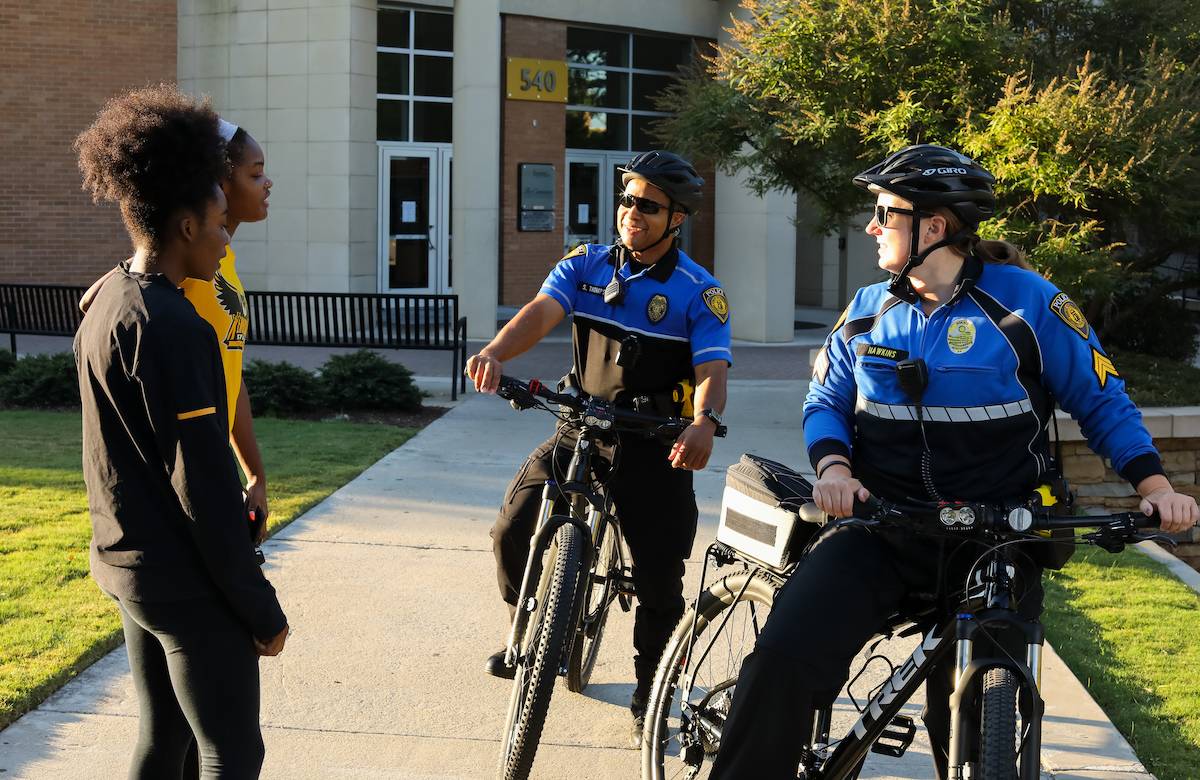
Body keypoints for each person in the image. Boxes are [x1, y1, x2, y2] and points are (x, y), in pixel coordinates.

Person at [710, 144, 1198, 779]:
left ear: (932, 228)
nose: (872, 227)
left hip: (997, 540)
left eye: (885, 214)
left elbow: (1104, 403)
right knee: (781, 662)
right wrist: (834, 469)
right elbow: (825, 400)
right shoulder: (866, 311)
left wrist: (1156, 486)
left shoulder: (1030, 307)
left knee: (974, 718)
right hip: (882, 529)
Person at [467, 150, 733, 744]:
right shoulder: (585, 264)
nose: (631, 212)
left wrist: (704, 423)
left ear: (676, 218)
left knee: (661, 579)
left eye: (647, 205)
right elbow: (540, 313)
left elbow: (712, 367)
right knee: (511, 529)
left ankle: (649, 691)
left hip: (652, 442)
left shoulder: (699, 291)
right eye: (627, 200)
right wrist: (495, 354)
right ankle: (531, 638)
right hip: (580, 425)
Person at [73, 84, 288, 780]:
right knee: (232, 748)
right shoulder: (173, 327)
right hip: (184, 578)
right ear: (187, 223)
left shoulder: (105, 297)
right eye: (221, 220)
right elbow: (202, 485)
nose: (228, 238)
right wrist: (259, 607)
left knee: (165, 741)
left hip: (130, 563)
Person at [80, 117, 274, 540]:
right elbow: (95, 299)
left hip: (210, 462)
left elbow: (230, 370)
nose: (267, 183)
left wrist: (254, 475)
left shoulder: (222, 261)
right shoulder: (186, 263)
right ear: (220, 180)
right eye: (255, 173)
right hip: (179, 475)